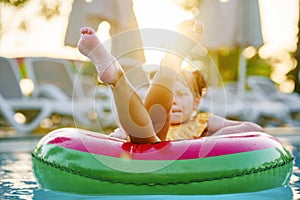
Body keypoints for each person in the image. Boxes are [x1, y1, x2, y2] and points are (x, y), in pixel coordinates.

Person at [77, 20, 263, 144]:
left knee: (147, 130)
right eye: (170, 95)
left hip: (152, 147)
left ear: (197, 100)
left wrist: (209, 139)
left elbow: (252, 129)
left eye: (181, 94)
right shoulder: (142, 114)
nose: (174, 101)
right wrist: (120, 136)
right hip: (144, 146)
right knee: (149, 121)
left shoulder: (202, 122)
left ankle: (118, 78)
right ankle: (166, 65)